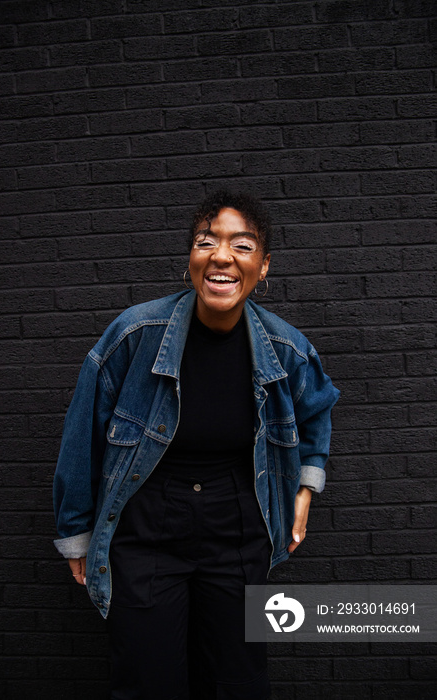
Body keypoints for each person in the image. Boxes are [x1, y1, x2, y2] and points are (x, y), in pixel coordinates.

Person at [53, 190, 340, 700]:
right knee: (147, 679)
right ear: (190, 258)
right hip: (146, 526)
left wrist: (305, 488)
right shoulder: (135, 334)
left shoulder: (286, 348)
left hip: (238, 527)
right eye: (206, 242)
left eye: (242, 245)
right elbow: (83, 432)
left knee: (237, 680)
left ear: (264, 266)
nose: (222, 256)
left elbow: (316, 410)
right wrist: (76, 531)